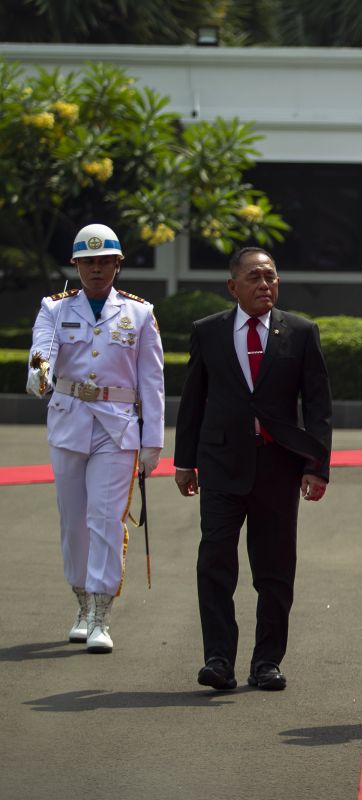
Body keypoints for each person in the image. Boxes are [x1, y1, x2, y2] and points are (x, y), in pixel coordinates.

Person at [174, 247, 332, 692]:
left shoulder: (300, 332)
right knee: (215, 563)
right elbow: (194, 402)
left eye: (271, 277)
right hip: (222, 465)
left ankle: (267, 662)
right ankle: (218, 659)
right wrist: (184, 461)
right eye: (255, 278)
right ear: (233, 287)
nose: (265, 285)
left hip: (278, 466)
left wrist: (316, 465)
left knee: (275, 569)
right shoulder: (208, 333)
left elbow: (318, 405)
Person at [27, 223, 165, 654]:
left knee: (104, 519)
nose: (97, 269)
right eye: (88, 262)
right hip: (69, 421)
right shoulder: (54, 308)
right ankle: (81, 604)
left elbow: (152, 379)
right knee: (73, 521)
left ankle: (101, 615)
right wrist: (38, 373)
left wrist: (152, 441)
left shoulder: (139, 313)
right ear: (76, 265)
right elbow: (42, 350)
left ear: (118, 264)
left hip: (117, 425)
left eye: (105, 260)